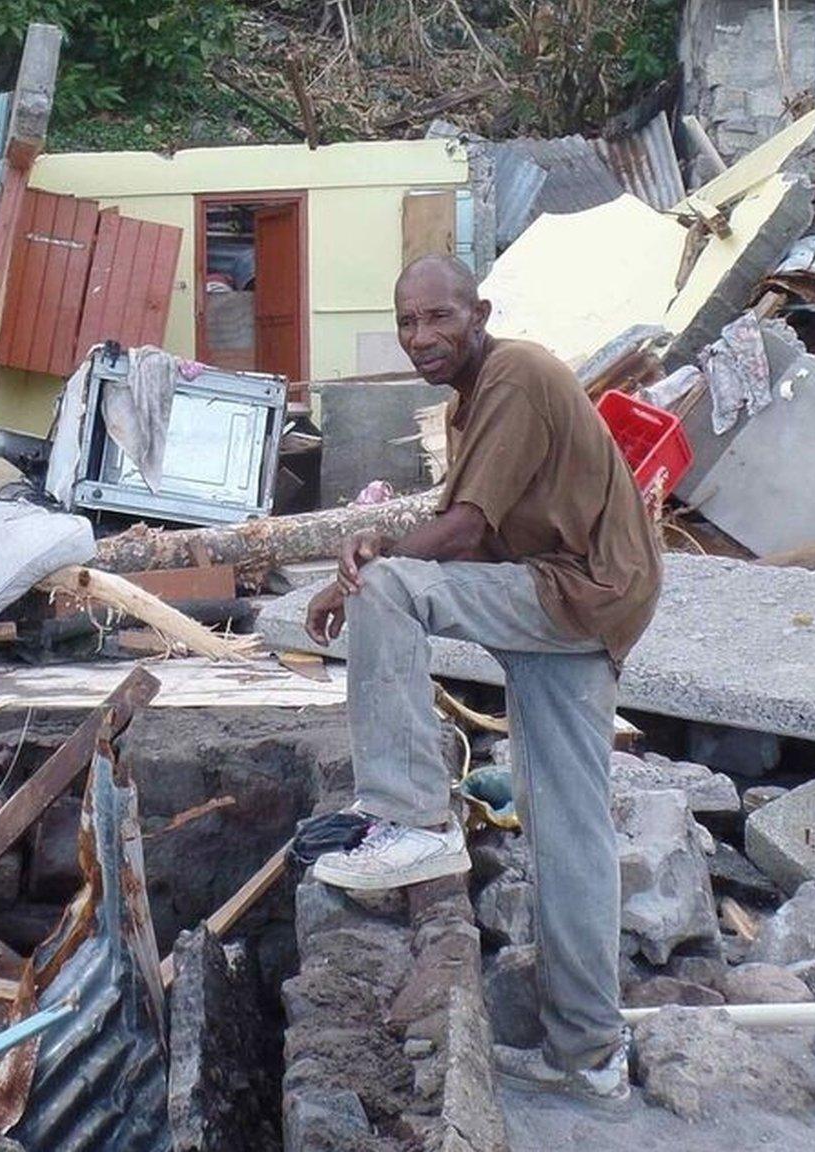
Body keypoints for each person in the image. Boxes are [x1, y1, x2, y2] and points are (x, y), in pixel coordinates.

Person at [302, 254, 661, 1106]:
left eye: (438, 318)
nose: (421, 336)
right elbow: (456, 514)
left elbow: (463, 530)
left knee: (389, 586)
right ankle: (589, 1051)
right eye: (406, 322)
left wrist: (362, 570)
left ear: (479, 312)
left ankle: (410, 816)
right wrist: (343, 574)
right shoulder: (474, 401)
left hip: (573, 592)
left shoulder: (515, 374)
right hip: (587, 606)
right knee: (569, 829)